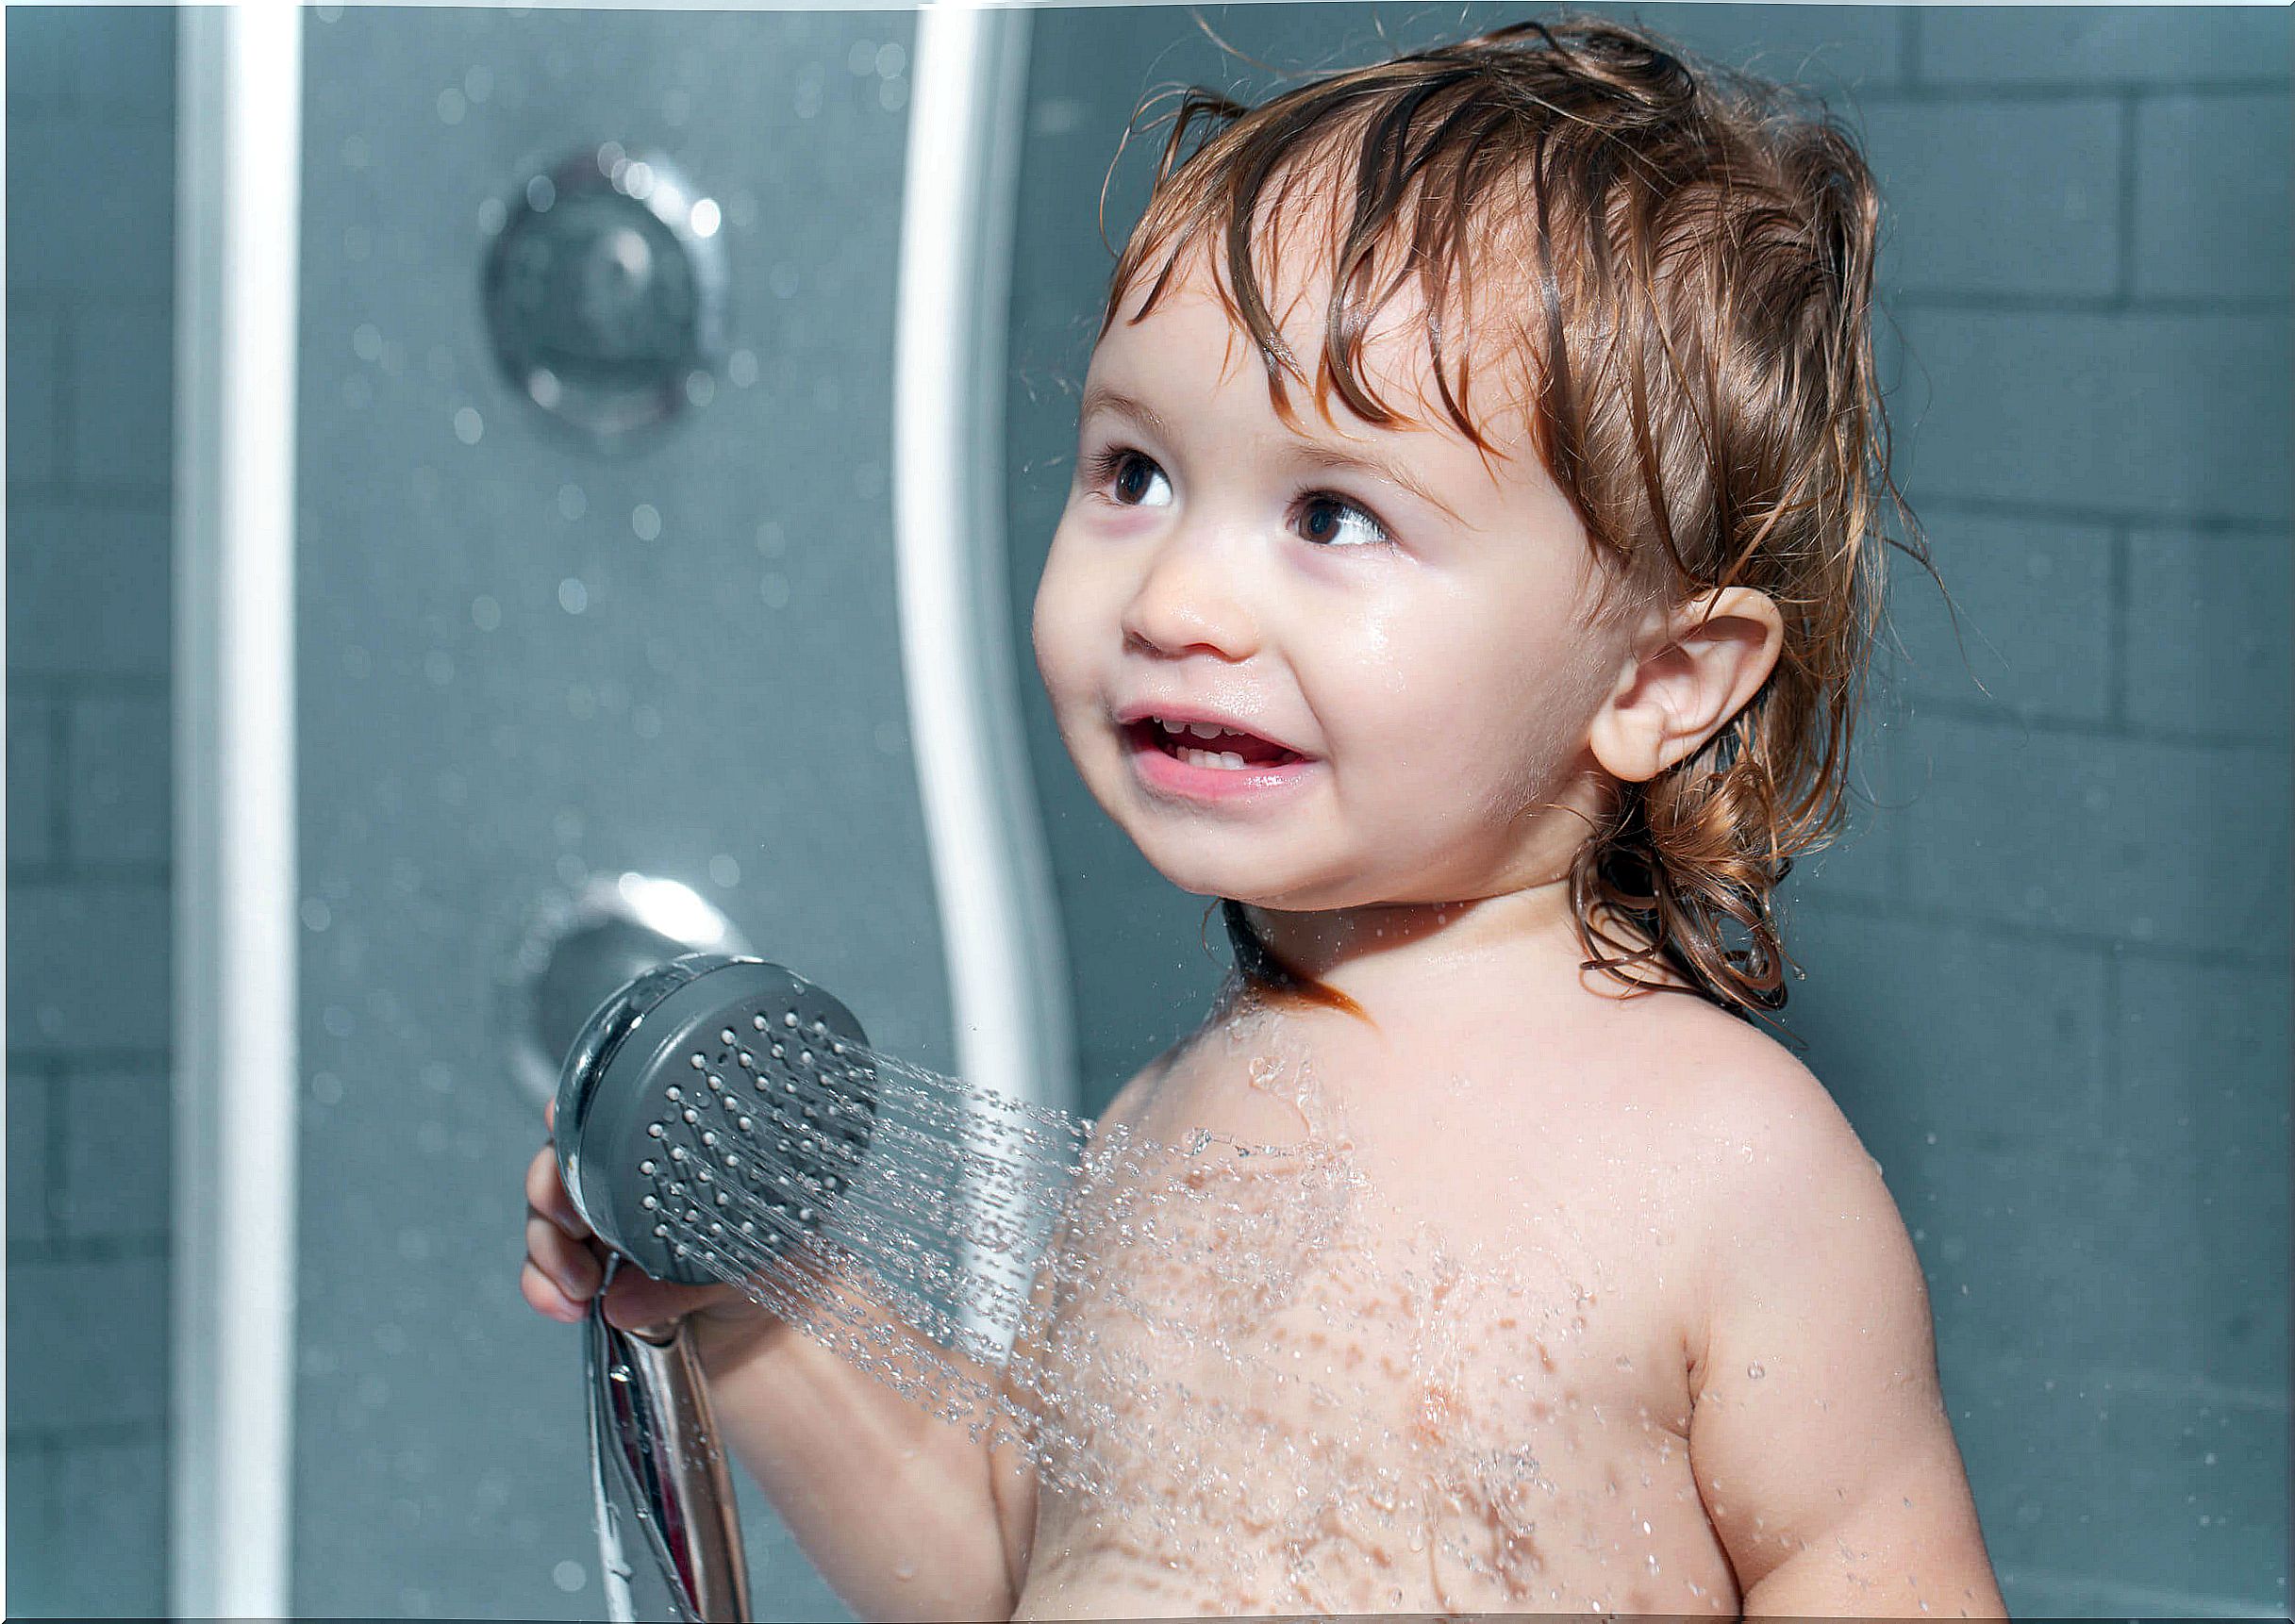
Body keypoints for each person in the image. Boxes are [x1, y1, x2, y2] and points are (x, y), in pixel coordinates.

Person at [524, 14, 2007, 1616]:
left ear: (1660, 674)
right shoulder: (1166, 1117)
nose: (1174, 596)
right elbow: (1010, 1574)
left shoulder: (1727, 1165)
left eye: (1330, 512)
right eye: (1134, 473)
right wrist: (745, 1308)